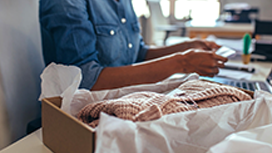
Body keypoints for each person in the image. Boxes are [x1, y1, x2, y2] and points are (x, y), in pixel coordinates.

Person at [39, 0, 228, 91]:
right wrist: (182, 62)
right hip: (79, 119)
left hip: (124, 101)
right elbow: (84, 80)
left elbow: (137, 53)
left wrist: (187, 47)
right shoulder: (65, 3)